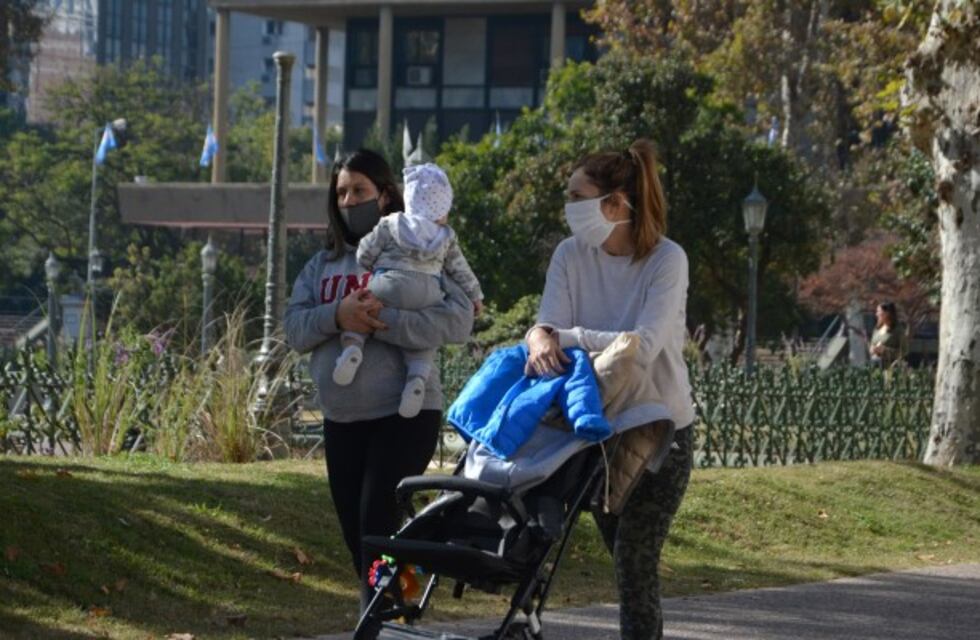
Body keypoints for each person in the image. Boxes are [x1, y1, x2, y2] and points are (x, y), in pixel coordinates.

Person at [283, 149, 474, 607]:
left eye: (360, 191)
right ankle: (392, 601)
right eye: (342, 193)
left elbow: (458, 320)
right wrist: (339, 314)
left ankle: (384, 607)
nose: (350, 201)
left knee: (375, 521)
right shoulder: (322, 265)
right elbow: (294, 329)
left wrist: (382, 319)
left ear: (387, 194)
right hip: (342, 418)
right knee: (358, 535)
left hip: (405, 412)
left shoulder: (424, 250)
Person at [524, 139, 695, 640]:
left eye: (578, 197)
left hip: (660, 429)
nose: (568, 208)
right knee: (617, 559)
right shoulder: (569, 255)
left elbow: (642, 346)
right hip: (596, 431)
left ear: (616, 204)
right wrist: (538, 334)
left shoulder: (667, 260)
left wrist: (565, 336)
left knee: (633, 562)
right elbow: (545, 326)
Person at [333, 162, 484, 418]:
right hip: (427, 291)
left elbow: (365, 252)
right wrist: (476, 296)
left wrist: (373, 268)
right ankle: (416, 379)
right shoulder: (446, 235)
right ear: (440, 210)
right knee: (424, 338)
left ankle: (352, 349)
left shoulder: (391, 223)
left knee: (360, 313)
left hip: (390, 282)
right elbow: (461, 270)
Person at [869, 301, 901, 367]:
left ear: (887, 313)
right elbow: (872, 345)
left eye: (879, 311)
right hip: (875, 365)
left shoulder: (897, 330)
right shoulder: (876, 329)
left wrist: (885, 350)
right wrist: (872, 349)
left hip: (890, 367)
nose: (876, 314)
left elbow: (904, 352)